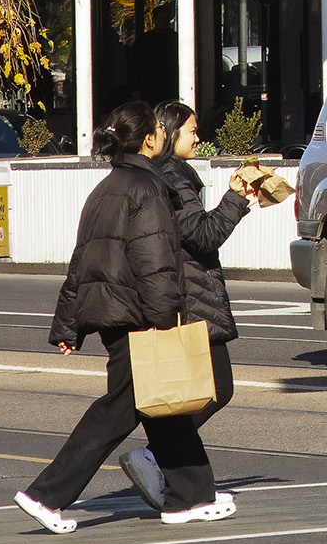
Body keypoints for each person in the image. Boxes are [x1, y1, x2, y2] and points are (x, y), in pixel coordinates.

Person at [18, 104, 232, 532]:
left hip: (114, 315)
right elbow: (154, 263)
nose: (163, 135)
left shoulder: (106, 188)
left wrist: (69, 326)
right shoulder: (147, 189)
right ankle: (46, 494)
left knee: (162, 410)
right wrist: (164, 319)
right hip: (139, 317)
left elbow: (82, 261)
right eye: (158, 130)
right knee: (117, 412)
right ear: (149, 140)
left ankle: (188, 498)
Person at [106, 103, 287, 518]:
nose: (198, 137)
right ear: (167, 133)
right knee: (211, 389)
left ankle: (167, 464)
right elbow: (203, 235)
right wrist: (236, 199)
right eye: (191, 130)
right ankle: (159, 460)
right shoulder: (171, 176)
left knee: (205, 390)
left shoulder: (172, 175)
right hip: (190, 297)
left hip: (191, 294)